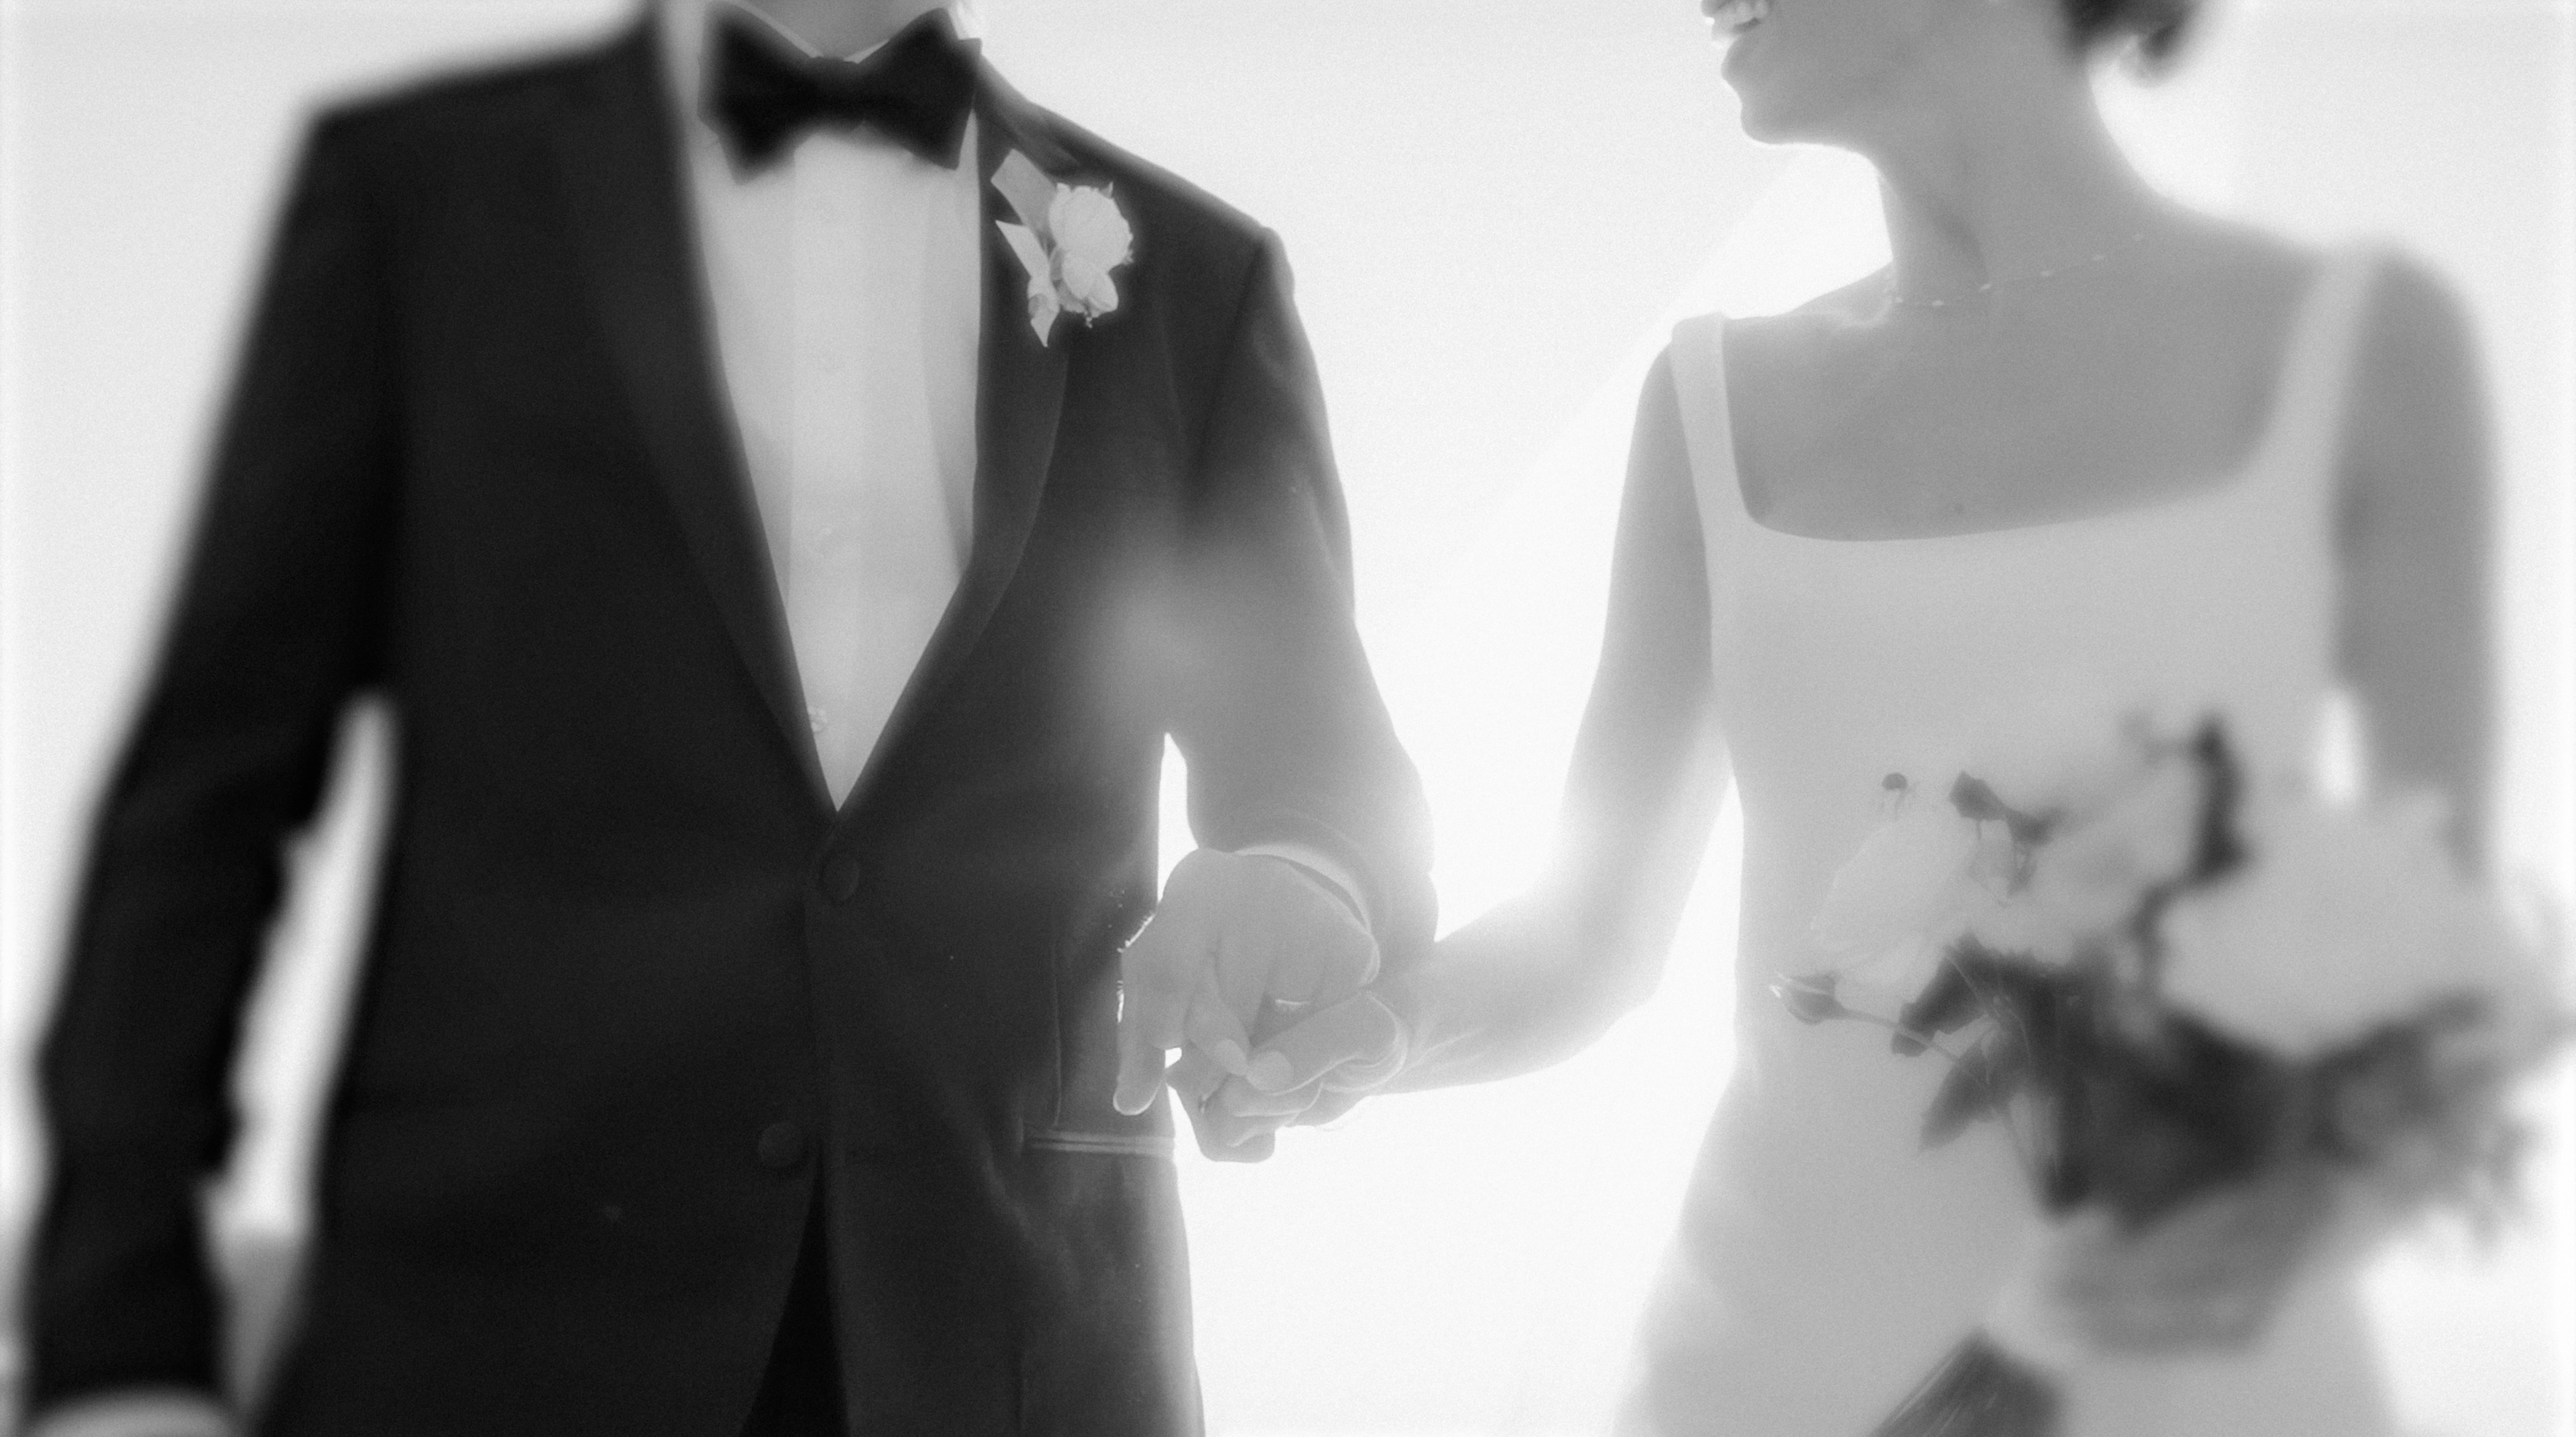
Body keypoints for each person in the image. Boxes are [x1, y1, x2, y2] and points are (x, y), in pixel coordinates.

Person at [21, 1, 1435, 1433]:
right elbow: (212, 794)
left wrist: (1311, 879)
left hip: (1020, 1359)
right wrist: (120, 1359)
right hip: (494, 1353)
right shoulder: (419, 208)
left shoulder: (1199, 282)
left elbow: (1327, 781)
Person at [1158, 0, 2496, 1430]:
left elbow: (2445, 984)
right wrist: (1370, 1037)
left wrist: (2208, 1241)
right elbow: (1592, 940)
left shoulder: (2361, 355)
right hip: (1774, 1370)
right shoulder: (1714, 406)